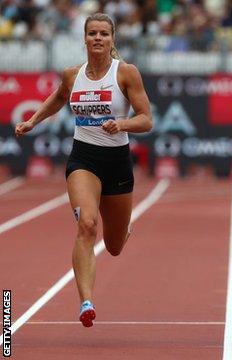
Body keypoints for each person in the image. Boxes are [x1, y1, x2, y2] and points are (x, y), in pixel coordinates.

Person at [15, 13, 152, 328]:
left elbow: (146, 119)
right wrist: (34, 120)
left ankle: (121, 228)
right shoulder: (72, 74)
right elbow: (58, 98)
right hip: (83, 159)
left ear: (112, 38)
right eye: (92, 33)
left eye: (104, 33)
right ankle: (86, 301)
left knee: (114, 246)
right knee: (87, 225)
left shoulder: (126, 73)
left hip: (117, 160)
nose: (98, 39)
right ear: (85, 38)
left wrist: (122, 123)